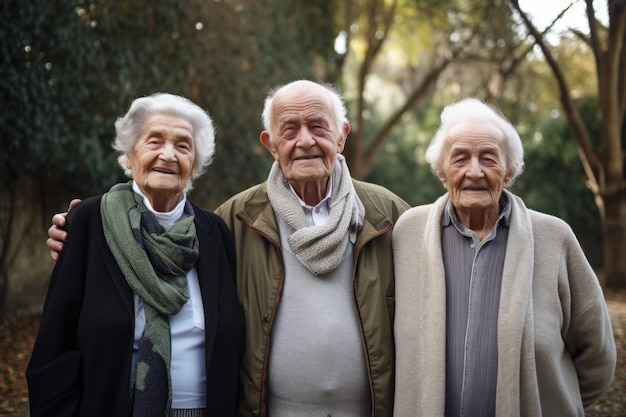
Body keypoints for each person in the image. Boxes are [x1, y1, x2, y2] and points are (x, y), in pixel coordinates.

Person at [46, 80, 410, 416]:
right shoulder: (235, 220)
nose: (305, 141)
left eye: (318, 126)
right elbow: (54, 350)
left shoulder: (390, 216)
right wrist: (70, 232)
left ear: (342, 136)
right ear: (270, 143)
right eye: (154, 142)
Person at [392, 98, 616, 416]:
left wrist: (554, 402)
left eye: (488, 158)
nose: (474, 171)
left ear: (510, 172)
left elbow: (598, 357)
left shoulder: (554, 239)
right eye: (459, 159)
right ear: (441, 173)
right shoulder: (408, 234)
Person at [28, 93, 245, 417]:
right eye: (154, 141)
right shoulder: (89, 223)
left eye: (183, 146)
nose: (168, 155)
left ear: (196, 164)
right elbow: (54, 350)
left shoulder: (213, 233)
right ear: (129, 156)